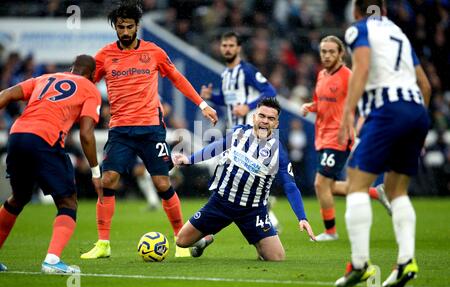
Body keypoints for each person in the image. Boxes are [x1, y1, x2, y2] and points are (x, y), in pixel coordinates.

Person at [80, 1, 218, 260]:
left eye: (129, 26)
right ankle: (103, 244)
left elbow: (176, 77)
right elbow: (87, 84)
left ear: (137, 26)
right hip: (120, 131)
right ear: (115, 27)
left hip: (151, 130)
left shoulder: (153, 52)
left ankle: (181, 241)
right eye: (120, 27)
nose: (124, 31)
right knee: (107, 180)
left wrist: (202, 104)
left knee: (162, 183)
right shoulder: (104, 56)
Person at [335, 0, 431, 287]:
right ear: (384, 11)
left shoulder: (358, 29)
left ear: (355, 11)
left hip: (387, 108)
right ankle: (406, 262)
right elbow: (425, 85)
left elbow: (362, 67)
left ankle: (360, 264)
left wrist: (348, 114)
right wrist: (417, 126)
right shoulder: (398, 32)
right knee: (395, 190)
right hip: (416, 110)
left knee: (356, 183)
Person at [173, 98, 316, 261]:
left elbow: (290, 185)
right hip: (221, 202)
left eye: (271, 118)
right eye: (262, 116)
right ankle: (205, 240)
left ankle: (259, 243)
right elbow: (216, 147)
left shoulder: (278, 153)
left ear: (276, 123)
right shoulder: (238, 133)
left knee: (277, 258)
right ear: (254, 117)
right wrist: (189, 159)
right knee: (182, 241)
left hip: (253, 210)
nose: (265, 121)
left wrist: (302, 217)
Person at [0, 55, 103, 273]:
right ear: (93, 75)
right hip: (45, 139)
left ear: (72, 67)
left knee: (19, 197)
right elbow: (86, 133)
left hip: (17, 135)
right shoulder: (90, 89)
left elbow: (6, 95)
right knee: (67, 202)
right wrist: (96, 172)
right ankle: (52, 261)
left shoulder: (45, 78)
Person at [300, 35, 391, 242]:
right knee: (329, 186)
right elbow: (320, 101)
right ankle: (376, 193)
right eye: (324, 51)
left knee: (320, 184)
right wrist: (309, 106)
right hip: (322, 136)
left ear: (341, 54)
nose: (327, 55)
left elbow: (365, 102)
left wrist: (360, 125)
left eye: (332, 51)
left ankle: (331, 232)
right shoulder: (322, 74)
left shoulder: (348, 76)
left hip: (339, 136)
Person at [200, 31, 280, 229]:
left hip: (252, 134)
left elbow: (270, 91)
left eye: (231, 45)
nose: (227, 49)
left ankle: (207, 226)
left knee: (230, 174)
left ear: (238, 48)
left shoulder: (246, 71)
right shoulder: (226, 74)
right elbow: (230, 102)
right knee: (227, 174)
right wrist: (212, 97)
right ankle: (267, 218)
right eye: (224, 45)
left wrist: (249, 105)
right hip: (236, 133)